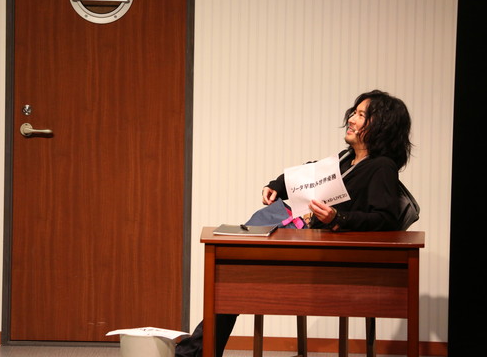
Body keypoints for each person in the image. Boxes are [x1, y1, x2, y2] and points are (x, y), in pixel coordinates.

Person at [175, 89, 413, 357]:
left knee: (233, 278)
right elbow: (309, 174)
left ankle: (194, 351)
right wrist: (276, 185)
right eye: (354, 113)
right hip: (300, 237)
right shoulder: (346, 159)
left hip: (322, 255)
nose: (351, 119)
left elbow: (385, 219)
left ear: (381, 124)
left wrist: (338, 218)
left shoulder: (381, 167)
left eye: (361, 115)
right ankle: (196, 350)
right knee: (229, 276)